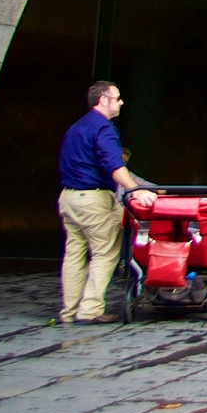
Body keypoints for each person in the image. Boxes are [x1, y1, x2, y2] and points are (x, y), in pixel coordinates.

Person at [57, 80, 142, 325]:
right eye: (117, 98)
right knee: (105, 252)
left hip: (68, 198)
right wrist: (135, 190)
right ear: (103, 100)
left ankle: (69, 311)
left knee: (74, 254)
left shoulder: (76, 127)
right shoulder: (103, 128)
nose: (121, 102)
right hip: (93, 198)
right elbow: (113, 164)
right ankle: (90, 310)